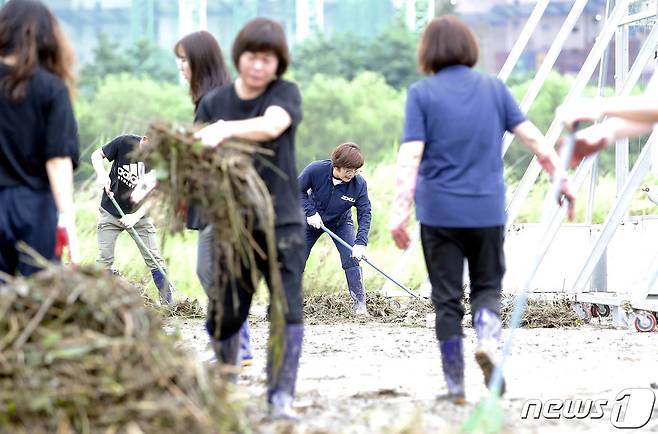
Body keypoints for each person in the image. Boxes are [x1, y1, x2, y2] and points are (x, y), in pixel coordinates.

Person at [389, 15, 574, 404]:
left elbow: (411, 156)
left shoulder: (421, 94)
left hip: (439, 212)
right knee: (487, 286)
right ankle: (488, 340)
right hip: (487, 210)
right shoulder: (494, 88)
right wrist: (562, 180)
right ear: (470, 48)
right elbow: (535, 141)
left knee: (446, 297)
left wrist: (399, 212)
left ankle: (455, 386)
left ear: (427, 52)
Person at [194, 18, 305, 419]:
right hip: (233, 224)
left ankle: (280, 399)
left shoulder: (284, 94)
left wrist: (223, 131)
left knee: (286, 309)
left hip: (282, 221)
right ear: (239, 56)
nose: (259, 67)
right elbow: (196, 156)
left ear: (278, 64)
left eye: (268, 60)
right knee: (226, 311)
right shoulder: (213, 102)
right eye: (252, 58)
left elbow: (272, 125)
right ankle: (225, 386)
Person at [174, 30, 253, 365]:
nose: (180, 67)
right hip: (219, 201)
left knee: (210, 270)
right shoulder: (216, 97)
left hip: (223, 203)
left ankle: (235, 346)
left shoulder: (215, 100)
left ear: (200, 62)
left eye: (184, 60)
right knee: (216, 272)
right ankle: (237, 346)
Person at [0, 0, 79, 277]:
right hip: (34, 207)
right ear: (47, 36)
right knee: (38, 298)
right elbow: (57, 160)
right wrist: (67, 220)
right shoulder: (51, 88)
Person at [91, 134, 173, 304]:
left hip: (140, 215)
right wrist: (102, 174)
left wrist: (135, 217)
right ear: (145, 139)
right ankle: (100, 301)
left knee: (154, 258)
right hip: (111, 210)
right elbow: (96, 155)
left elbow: (156, 197)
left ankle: (168, 303)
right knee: (104, 258)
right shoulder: (124, 143)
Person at [298, 143, 372, 314]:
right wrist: (310, 212)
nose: (351, 174)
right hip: (311, 220)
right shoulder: (315, 170)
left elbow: (365, 212)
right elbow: (296, 190)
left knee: (352, 259)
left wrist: (361, 242)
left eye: (356, 170)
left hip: (340, 222)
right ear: (336, 165)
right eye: (348, 170)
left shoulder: (358, 184)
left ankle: (360, 306)